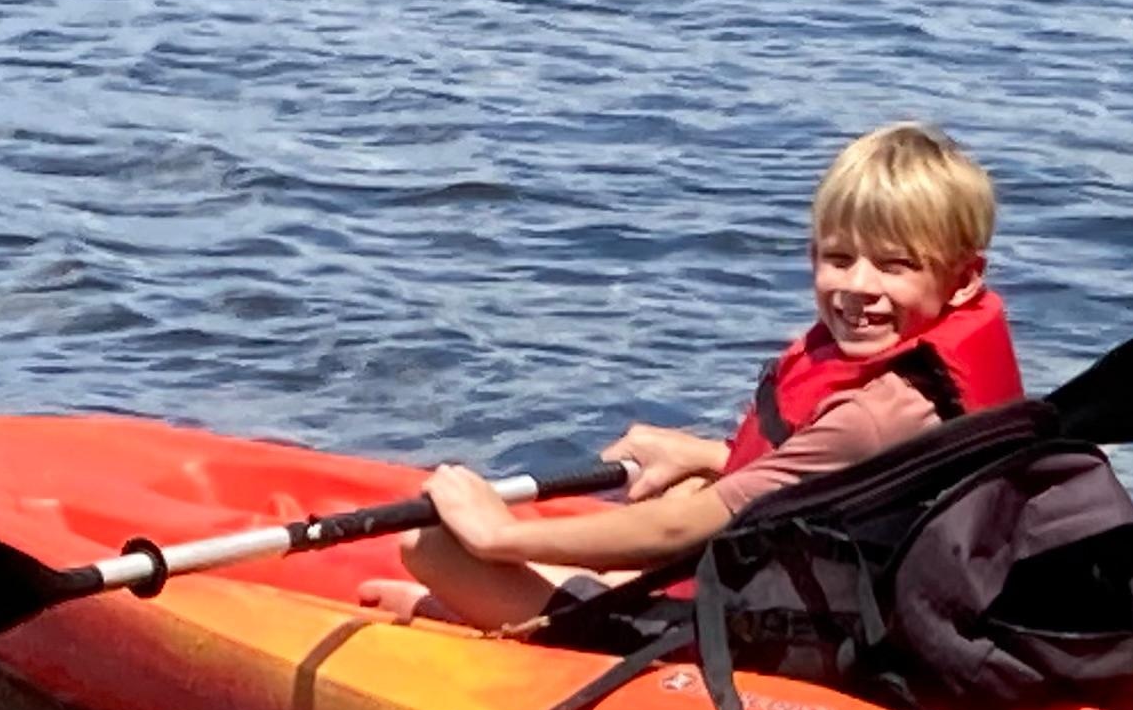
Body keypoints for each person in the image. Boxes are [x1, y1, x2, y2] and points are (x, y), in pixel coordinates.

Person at [369, 122, 1020, 630]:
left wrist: (501, 537)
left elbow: (689, 530)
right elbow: (839, 478)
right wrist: (703, 452)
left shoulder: (878, 411)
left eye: (895, 265)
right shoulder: (916, 388)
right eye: (838, 258)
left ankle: (507, 619)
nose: (858, 287)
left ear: (963, 279)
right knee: (682, 486)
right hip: (858, 596)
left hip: (793, 639)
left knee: (433, 546)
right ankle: (530, 599)